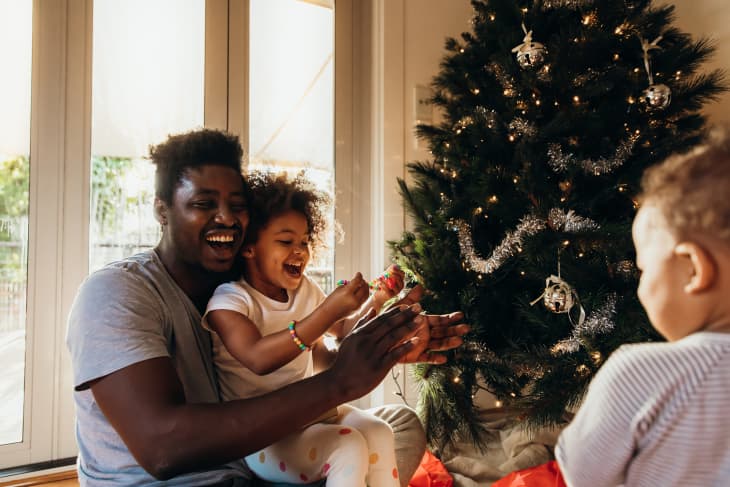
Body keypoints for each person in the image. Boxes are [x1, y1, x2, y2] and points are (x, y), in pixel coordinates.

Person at [65, 128, 469, 487]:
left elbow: (316, 356)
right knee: (352, 448)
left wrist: (384, 343)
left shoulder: (244, 282)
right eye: (204, 203)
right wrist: (340, 383)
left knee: (397, 424)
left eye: (237, 205)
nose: (226, 218)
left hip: (251, 463)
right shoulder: (116, 292)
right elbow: (163, 448)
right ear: (162, 210)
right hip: (197, 477)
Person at [203, 171, 407, 486]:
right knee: (348, 445)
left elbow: (343, 331)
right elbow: (258, 359)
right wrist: (327, 311)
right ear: (248, 248)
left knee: (380, 430)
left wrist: (378, 298)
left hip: (314, 414)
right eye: (286, 241)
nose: (300, 250)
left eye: (305, 241)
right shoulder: (230, 301)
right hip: (261, 438)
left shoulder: (305, 291)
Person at [555, 127, 730, 485]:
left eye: (644, 268)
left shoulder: (642, 372)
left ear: (693, 269)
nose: (640, 287)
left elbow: (582, 472)